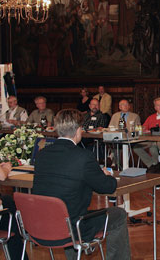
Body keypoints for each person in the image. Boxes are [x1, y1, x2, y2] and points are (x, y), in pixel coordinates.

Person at [33, 109, 131, 260]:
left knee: (66, 206)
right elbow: (108, 187)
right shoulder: (83, 157)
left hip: (41, 223)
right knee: (118, 214)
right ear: (78, 131)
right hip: (74, 226)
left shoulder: (41, 155)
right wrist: (107, 175)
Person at [133, 97, 160, 169]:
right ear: (155, 107)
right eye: (158, 105)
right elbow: (144, 128)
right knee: (136, 147)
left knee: (153, 147)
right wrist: (141, 129)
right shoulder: (151, 117)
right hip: (149, 140)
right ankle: (151, 164)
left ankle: (154, 164)